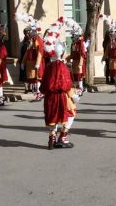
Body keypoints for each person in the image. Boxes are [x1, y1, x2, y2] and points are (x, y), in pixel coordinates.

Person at [40, 20, 77, 149]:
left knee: (52, 117)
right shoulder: (63, 67)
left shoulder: (49, 66)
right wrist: (73, 96)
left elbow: (43, 84)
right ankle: (63, 138)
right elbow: (66, 84)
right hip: (61, 96)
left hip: (49, 96)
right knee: (71, 114)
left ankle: (51, 140)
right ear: (61, 52)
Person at [18, 13, 45, 101]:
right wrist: (23, 62)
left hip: (37, 62)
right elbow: (28, 51)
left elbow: (40, 52)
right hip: (31, 62)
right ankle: (38, 92)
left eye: (31, 31)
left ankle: (39, 92)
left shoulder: (38, 40)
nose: (30, 33)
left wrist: (37, 63)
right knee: (34, 78)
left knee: (37, 78)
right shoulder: (32, 40)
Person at [66, 18, 87, 96]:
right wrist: (66, 59)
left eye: (73, 35)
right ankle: (77, 88)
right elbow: (72, 54)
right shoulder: (73, 43)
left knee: (79, 75)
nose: (72, 36)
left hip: (79, 61)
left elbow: (82, 54)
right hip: (74, 61)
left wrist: (80, 64)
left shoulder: (80, 43)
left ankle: (81, 88)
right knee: (75, 75)